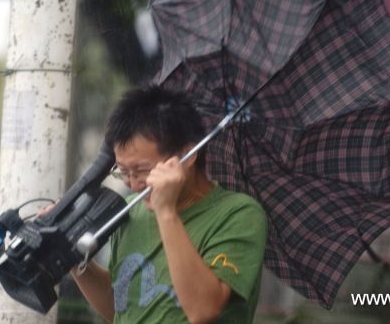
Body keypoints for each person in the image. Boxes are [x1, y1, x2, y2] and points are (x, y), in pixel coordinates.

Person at [72, 85, 268, 323]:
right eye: (123, 172)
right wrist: (73, 261)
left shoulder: (239, 214)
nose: (133, 185)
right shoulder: (130, 208)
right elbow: (122, 309)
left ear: (187, 156)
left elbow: (203, 309)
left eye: (142, 170)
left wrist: (166, 212)